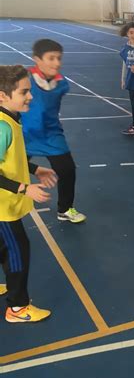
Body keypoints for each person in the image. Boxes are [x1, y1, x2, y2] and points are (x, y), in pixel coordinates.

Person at [0, 65, 57, 322]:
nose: (30, 96)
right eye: (24, 92)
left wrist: (34, 169)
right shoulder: (3, 127)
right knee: (17, 251)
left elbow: (9, 158)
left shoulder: (10, 118)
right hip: (3, 209)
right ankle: (18, 307)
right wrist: (25, 188)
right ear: (3, 96)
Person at [21, 39, 86, 224]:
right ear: (37, 60)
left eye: (59, 58)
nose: (57, 63)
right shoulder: (24, 79)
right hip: (24, 133)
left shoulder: (61, 84)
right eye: (51, 58)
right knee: (9, 169)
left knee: (67, 169)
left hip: (51, 134)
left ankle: (65, 209)